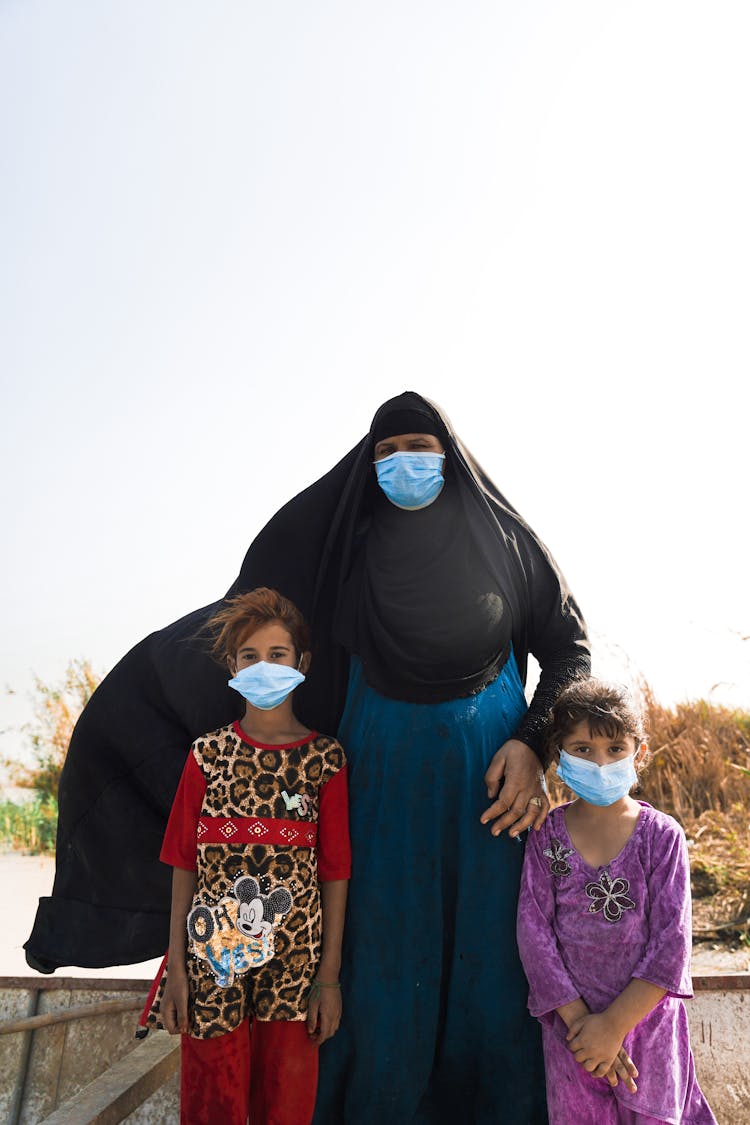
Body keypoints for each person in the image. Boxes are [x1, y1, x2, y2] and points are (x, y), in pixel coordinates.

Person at [26, 391, 590, 1123]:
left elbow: (570, 648)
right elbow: (256, 633)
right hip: (375, 794)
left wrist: (533, 743)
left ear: (450, 458)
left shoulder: (508, 545)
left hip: (490, 797)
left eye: (418, 447)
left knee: (490, 981)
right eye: (384, 453)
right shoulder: (345, 542)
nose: (402, 464)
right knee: (381, 978)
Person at [141, 587, 350, 1125]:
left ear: (301, 663)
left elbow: (335, 871)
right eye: (249, 656)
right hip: (211, 960)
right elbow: (183, 863)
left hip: (296, 962)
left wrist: (328, 977)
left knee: (287, 1099)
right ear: (231, 666)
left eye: (277, 655)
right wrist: (176, 970)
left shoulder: (324, 759)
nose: (264, 667)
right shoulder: (206, 756)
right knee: (213, 1095)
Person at [517, 678, 716, 1125]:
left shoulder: (661, 837)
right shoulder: (546, 835)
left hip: (648, 1030)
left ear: (639, 753)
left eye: (614, 748)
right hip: (574, 1039)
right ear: (559, 754)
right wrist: (584, 1026)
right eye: (583, 749)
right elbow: (534, 936)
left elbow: (671, 945)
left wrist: (614, 1026)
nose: (600, 762)